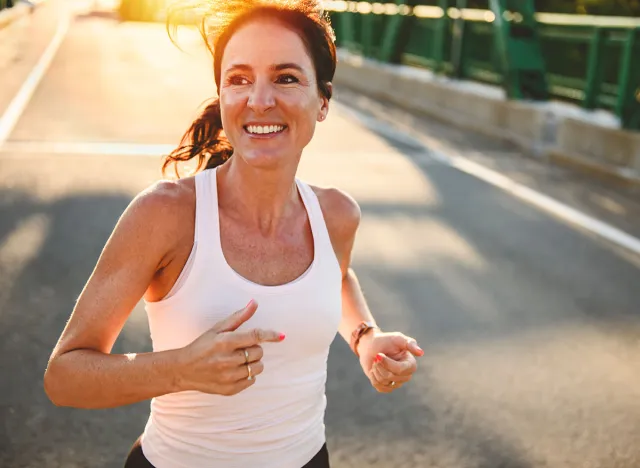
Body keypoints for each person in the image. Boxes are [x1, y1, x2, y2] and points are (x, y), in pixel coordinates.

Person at [43, 0, 424, 466]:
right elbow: (64, 377)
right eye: (239, 79)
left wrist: (366, 338)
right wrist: (182, 369)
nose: (259, 100)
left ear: (323, 101)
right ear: (222, 98)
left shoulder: (337, 214)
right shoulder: (165, 214)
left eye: (286, 78)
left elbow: (337, 276)